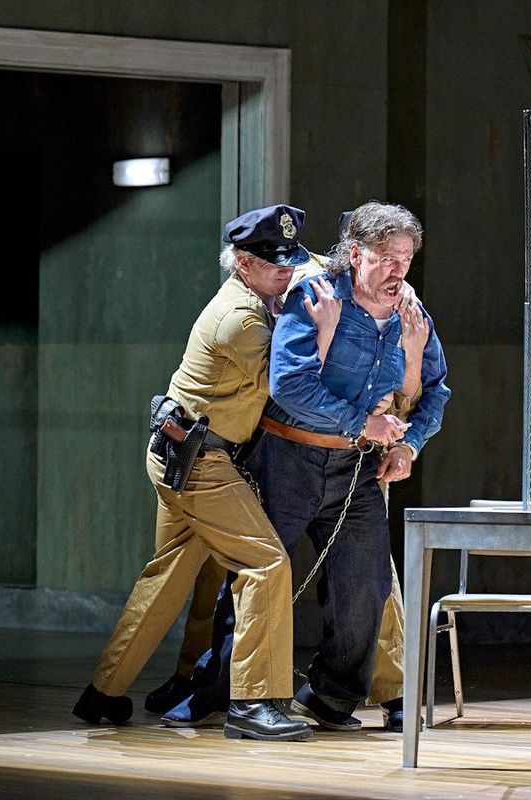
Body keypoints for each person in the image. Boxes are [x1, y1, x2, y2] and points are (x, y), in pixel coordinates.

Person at [164, 201, 449, 733]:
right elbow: (289, 386)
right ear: (356, 253)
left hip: (356, 469)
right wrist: (363, 423)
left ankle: (331, 698)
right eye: (387, 257)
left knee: (365, 585)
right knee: (260, 578)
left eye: (407, 258)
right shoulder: (316, 296)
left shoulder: (413, 314)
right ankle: (224, 692)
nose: (399, 270)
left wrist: (410, 446)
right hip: (289, 457)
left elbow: (434, 390)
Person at [71, 205, 335, 742]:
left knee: (171, 574)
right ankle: (254, 702)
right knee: (265, 565)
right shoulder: (240, 319)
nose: (285, 269)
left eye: (290, 259)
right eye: (271, 261)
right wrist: (325, 326)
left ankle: (104, 692)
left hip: (180, 451)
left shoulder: (258, 299)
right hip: (200, 463)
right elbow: (295, 385)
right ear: (242, 263)